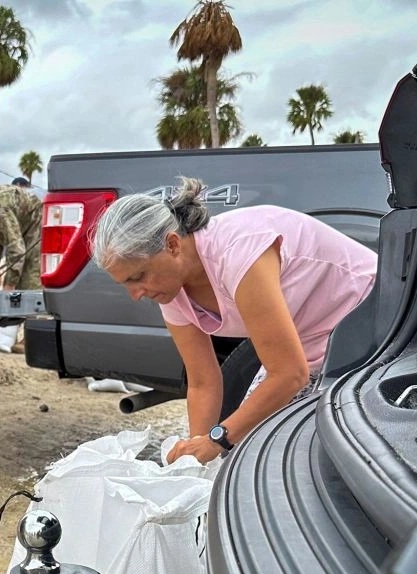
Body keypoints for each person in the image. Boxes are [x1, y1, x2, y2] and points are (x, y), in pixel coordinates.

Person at [91, 177, 377, 465]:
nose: (136, 295)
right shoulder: (170, 289)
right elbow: (203, 382)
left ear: (173, 244)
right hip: (312, 341)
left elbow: (289, 373)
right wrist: (194, 457)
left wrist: (218, 438)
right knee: (251, 452)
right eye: (124, 284)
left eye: (137, 277)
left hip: (374, 320)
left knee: (315, 454)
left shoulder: (238, 251)